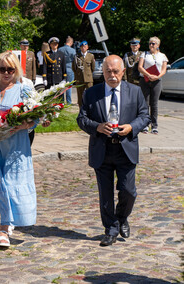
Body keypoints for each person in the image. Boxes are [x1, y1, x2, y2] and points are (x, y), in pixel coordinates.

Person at [77, 55, 150, 247]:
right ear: (103, 71)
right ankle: (110, 229)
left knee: (128, 191)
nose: (112, 75)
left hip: (126, 148)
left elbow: (144, 116)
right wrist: (97, 127)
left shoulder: (134, 91)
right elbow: (81, 119)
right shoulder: (92, 93)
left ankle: (122, 217)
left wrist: (132, 127)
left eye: (116, 71)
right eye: (108, 71)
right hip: (102, 149)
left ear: (123, 71)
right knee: (105, 194)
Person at [0, 52, 44, 248]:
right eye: (2, 69)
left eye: (10, 69)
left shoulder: (24, 89)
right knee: (0, 184)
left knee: (13, 184)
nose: (6, 73)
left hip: (16, 145)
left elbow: (36, 118)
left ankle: (5, 227)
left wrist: (22, 126)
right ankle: (7, 222)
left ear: (16, 70)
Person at [138, 36, 168, 135]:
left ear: (158, 45)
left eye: (153, 43)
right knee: (145, 103)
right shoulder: (144, 54)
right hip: (145, 80)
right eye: (150, 43)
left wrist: (157, 76)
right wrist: (148, 75)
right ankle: (145, 125)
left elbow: (164, 69)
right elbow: (140, 67)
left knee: (154, 104)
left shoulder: (162, 56)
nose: (151, 45)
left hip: (157, 81)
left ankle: (154, 126)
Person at [72, 41, 95, 107]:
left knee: (90, 94)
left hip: (88, 79)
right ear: (80, 48)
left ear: (87, 47)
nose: (83, 48)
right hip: (80, 79)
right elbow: (74, 67)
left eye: (84, 47)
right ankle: (81, 110)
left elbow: (93, 68)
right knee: (80, 96)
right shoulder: (77, 56)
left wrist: (89, 74)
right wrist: (77, 75)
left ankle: (90, 108)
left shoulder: (91, 56)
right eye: (82, 47)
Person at [58, 36, 76, 104]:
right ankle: (69, 102)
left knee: (61, 85)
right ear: (71, 42)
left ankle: (61, 101)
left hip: (61, 69)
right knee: (69, 86)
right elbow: (75, 61)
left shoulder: (60, 49)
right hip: (69, 69)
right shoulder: (73, 50)